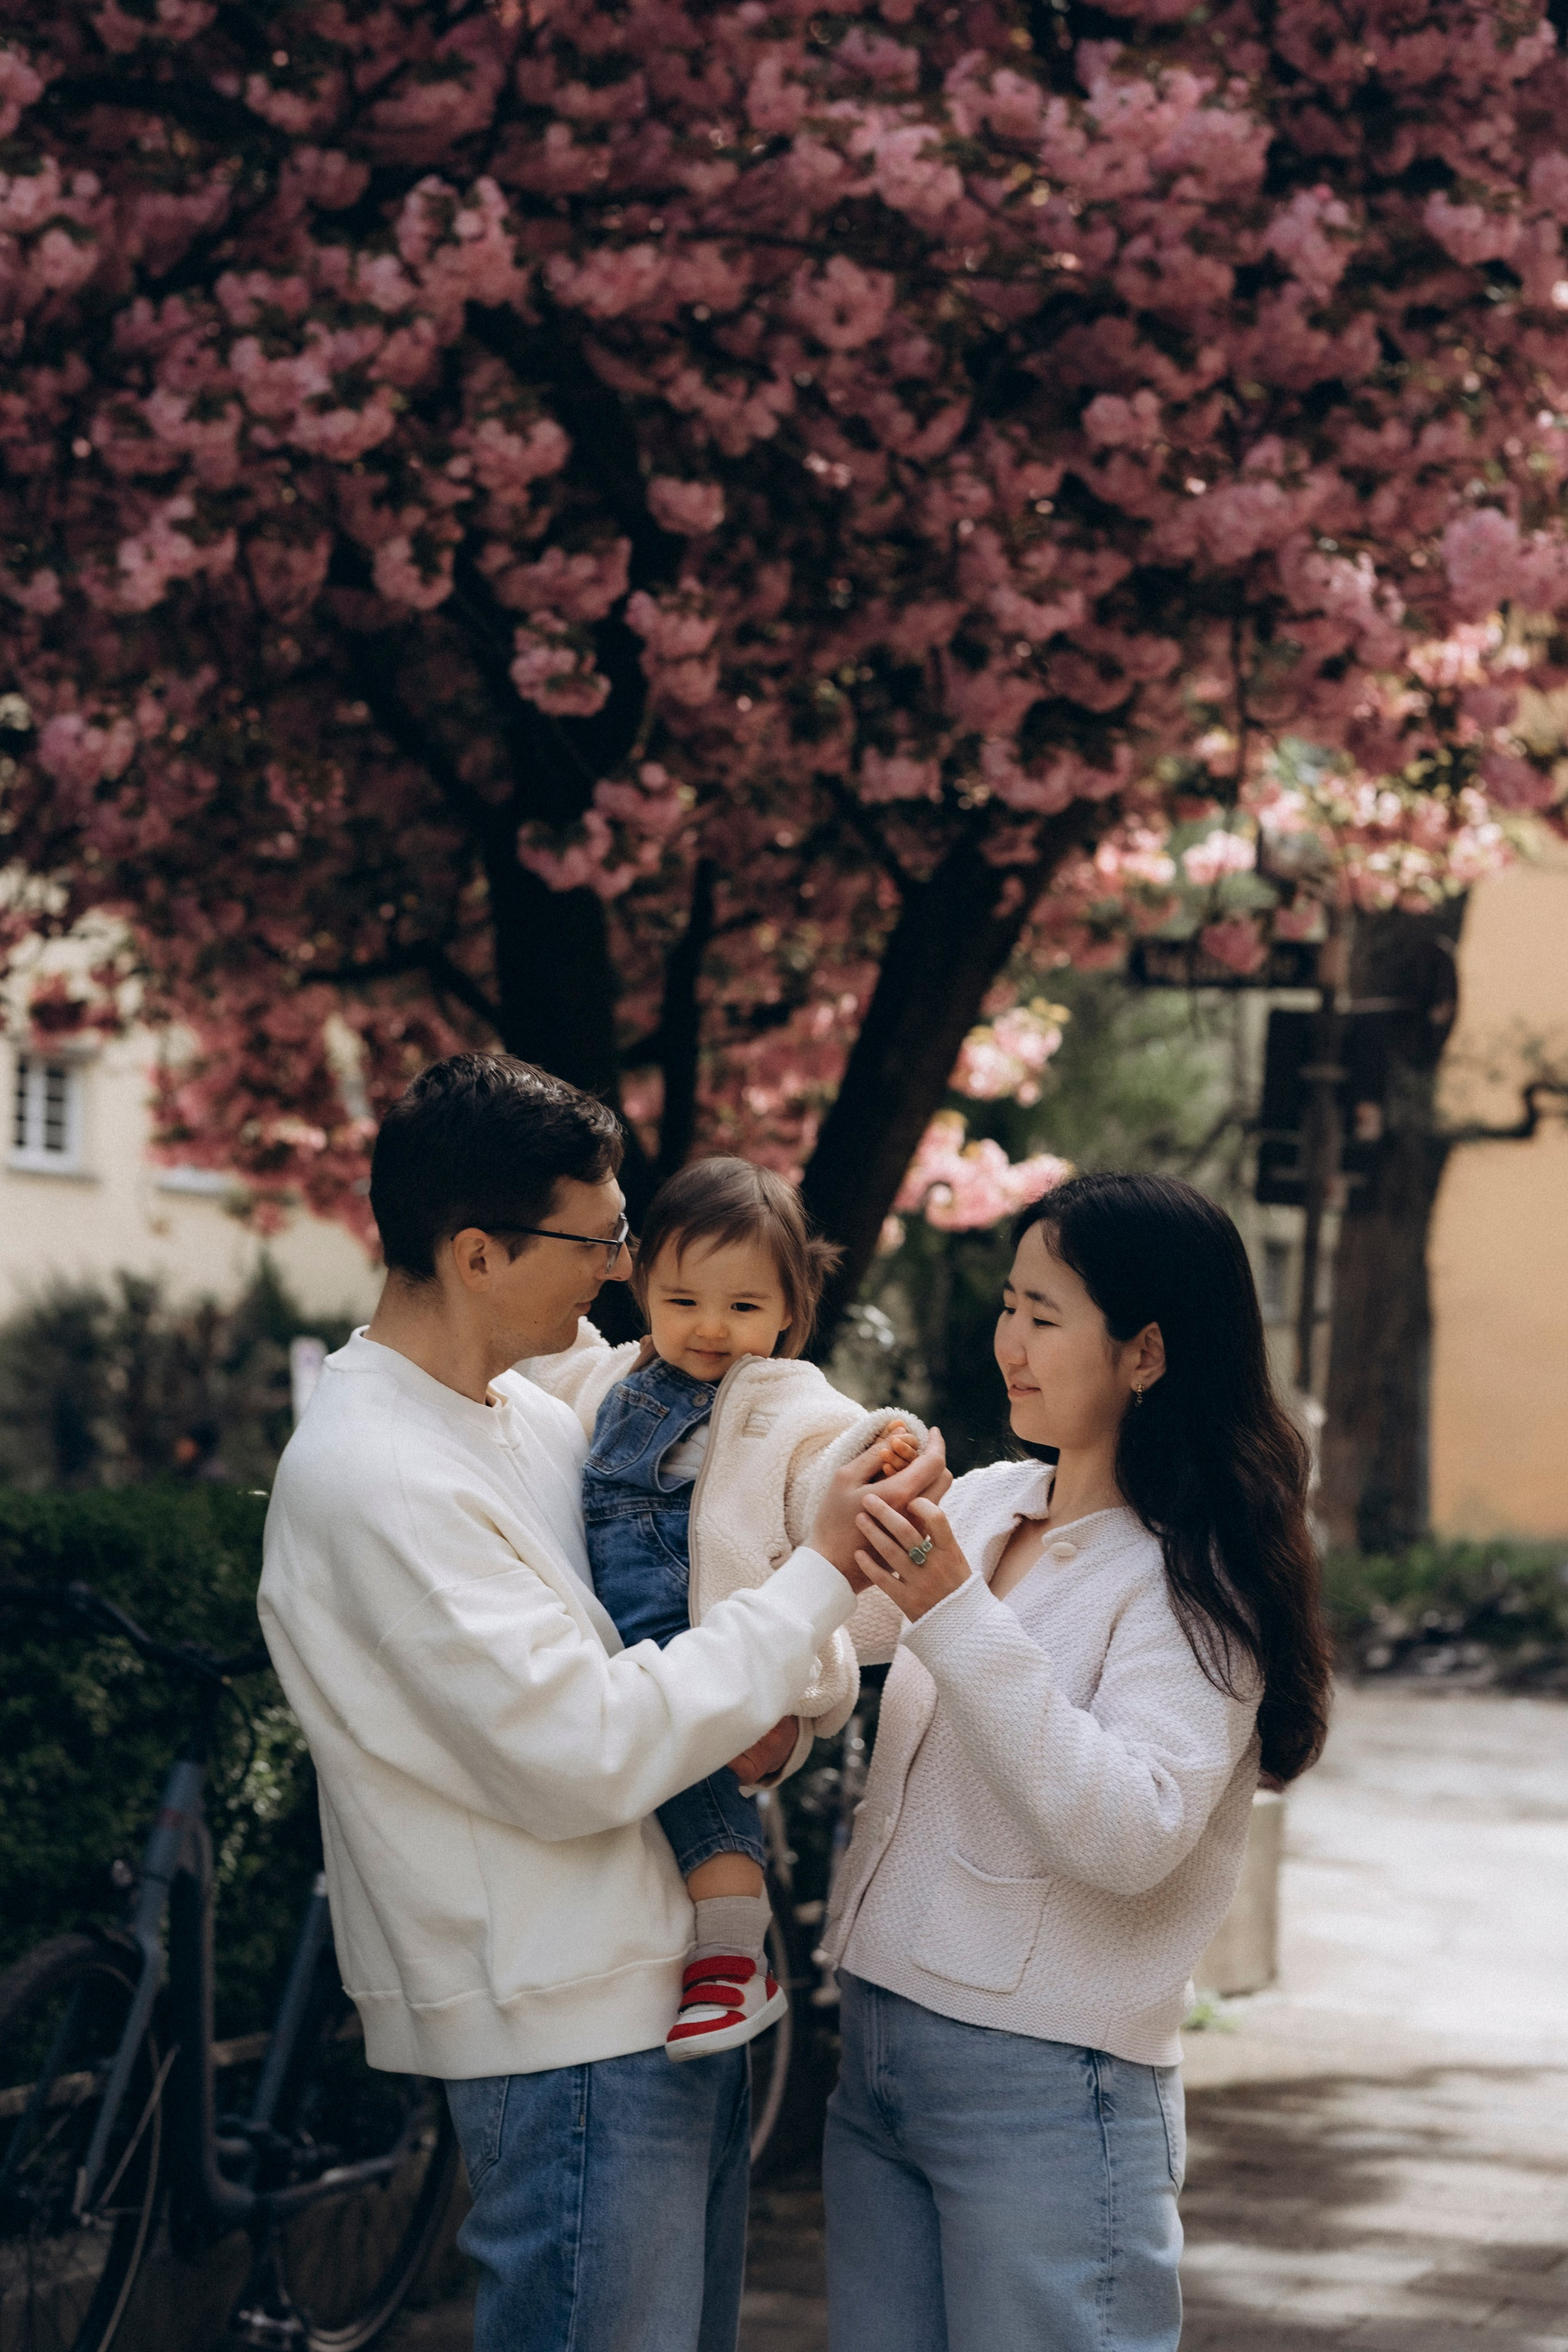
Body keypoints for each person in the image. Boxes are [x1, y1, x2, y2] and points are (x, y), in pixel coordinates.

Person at [256, 1052, 948, 2352]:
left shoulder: (530, 1412)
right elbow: (587, 1745)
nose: (621, 1265)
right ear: (476, 1254)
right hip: (560, 2028)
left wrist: (793, 1676)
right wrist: (818, 1576)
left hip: (663, 1994)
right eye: (600, 1236)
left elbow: (688, 1637)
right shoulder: (377, 1476)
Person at [820, 1171, 1334, 2352]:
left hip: (1053, 2090)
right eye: (1010, 1305)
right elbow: (820, 1653)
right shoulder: (993, 1505)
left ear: (1146, 1353)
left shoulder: (1197, 1577)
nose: (1011, 1343)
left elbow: (1131, 1831)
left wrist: (950, 1612)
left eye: (1045, 1317)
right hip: (881, 2055)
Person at [521, 1155, 920, 2061]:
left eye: (745, 1308)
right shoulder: (606, 1380)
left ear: (788, 1312)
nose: (711, 1329)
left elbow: (823, 1470)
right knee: (657, 1797)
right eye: (684, 1300)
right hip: (610, 1650)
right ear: (643, 1286)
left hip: (706, 1636)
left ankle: (733, 1963)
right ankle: (719, 1960)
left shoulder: (787, 1402)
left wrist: (875, 1453)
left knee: (706, 1803)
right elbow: (534, 1393)